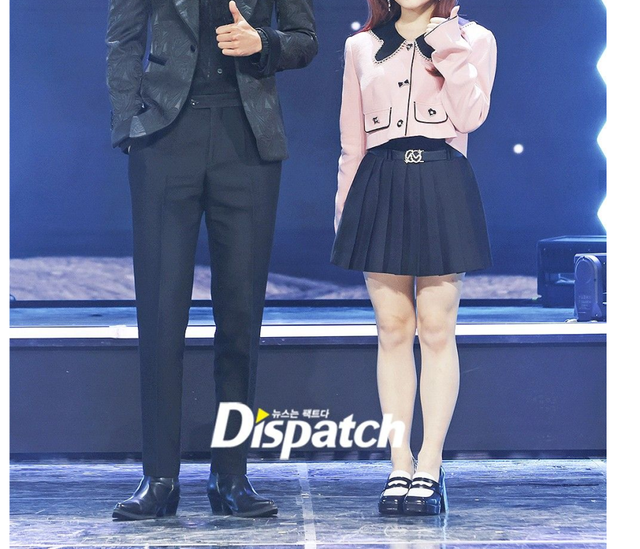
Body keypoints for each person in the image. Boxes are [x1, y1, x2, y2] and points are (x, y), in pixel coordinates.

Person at [106, 0, 317, 520]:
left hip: (246, 141)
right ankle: (159, 478)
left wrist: (263, 42)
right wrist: (129, 123)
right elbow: (123, 38)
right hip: (164, 139)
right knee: (160, 314)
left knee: (241, 315)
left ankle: (231, 476)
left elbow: (304, 39)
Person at [330, 0, 496, 515]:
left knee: (437, 328)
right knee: (393, 329)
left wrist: (446, 46)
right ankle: (399, 464)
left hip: (443, 178)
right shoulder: (360, 46)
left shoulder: (474, 39)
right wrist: (346, 211)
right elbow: (351, 141)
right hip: (378, 184)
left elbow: (472, 116)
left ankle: (431, 464)